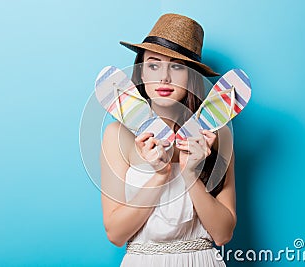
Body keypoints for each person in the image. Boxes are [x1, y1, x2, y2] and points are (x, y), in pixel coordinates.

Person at [100, 13, 236, 266]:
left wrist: (189, 174)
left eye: (176, 66)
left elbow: (223, 233)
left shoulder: (218, 134)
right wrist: (161, 175)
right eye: (153, 64)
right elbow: (116, 234)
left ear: (192, 76)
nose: (164, 77)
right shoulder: (116, 136)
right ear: (140, 73)